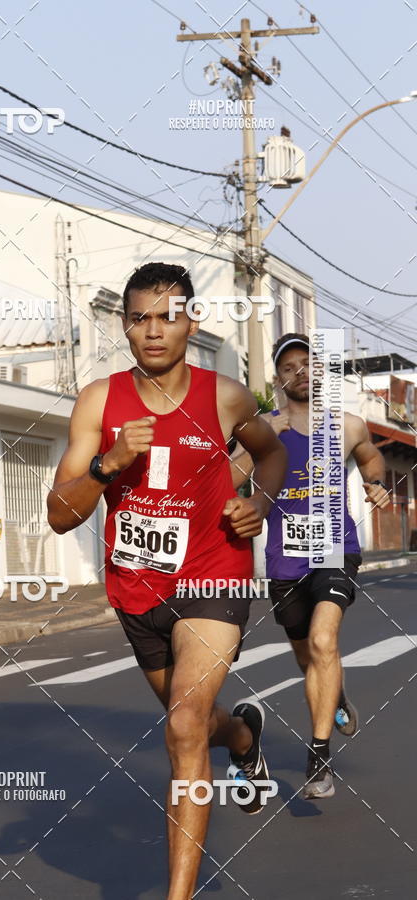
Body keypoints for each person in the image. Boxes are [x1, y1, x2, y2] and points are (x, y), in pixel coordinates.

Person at [47, 262, 288, 900]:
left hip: (215, 573)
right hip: (137, 589)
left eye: (167, 315)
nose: (154, 330)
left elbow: (272, 452)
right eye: (139, 318)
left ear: (191, 321)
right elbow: (58, 515)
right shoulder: (99, 402)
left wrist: (258, 502)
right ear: (125, 326)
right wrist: (110, 463)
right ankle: (243, 733)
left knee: (182, 727)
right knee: (198, 722)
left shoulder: (225, 396)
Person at [230, 332, 391, 800]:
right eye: (288, 367)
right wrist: (260, 442)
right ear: (277, 378)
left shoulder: (348, 425)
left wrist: (376, 482)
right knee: (310, 658)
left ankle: (318, 758)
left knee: (324, 640)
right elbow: (230, 478)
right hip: (285, 560)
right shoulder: (262, 425)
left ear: (321, 371)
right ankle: (334, 693)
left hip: (336, 548)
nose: (300, 372)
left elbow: (371, 457)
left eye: (308, 364)